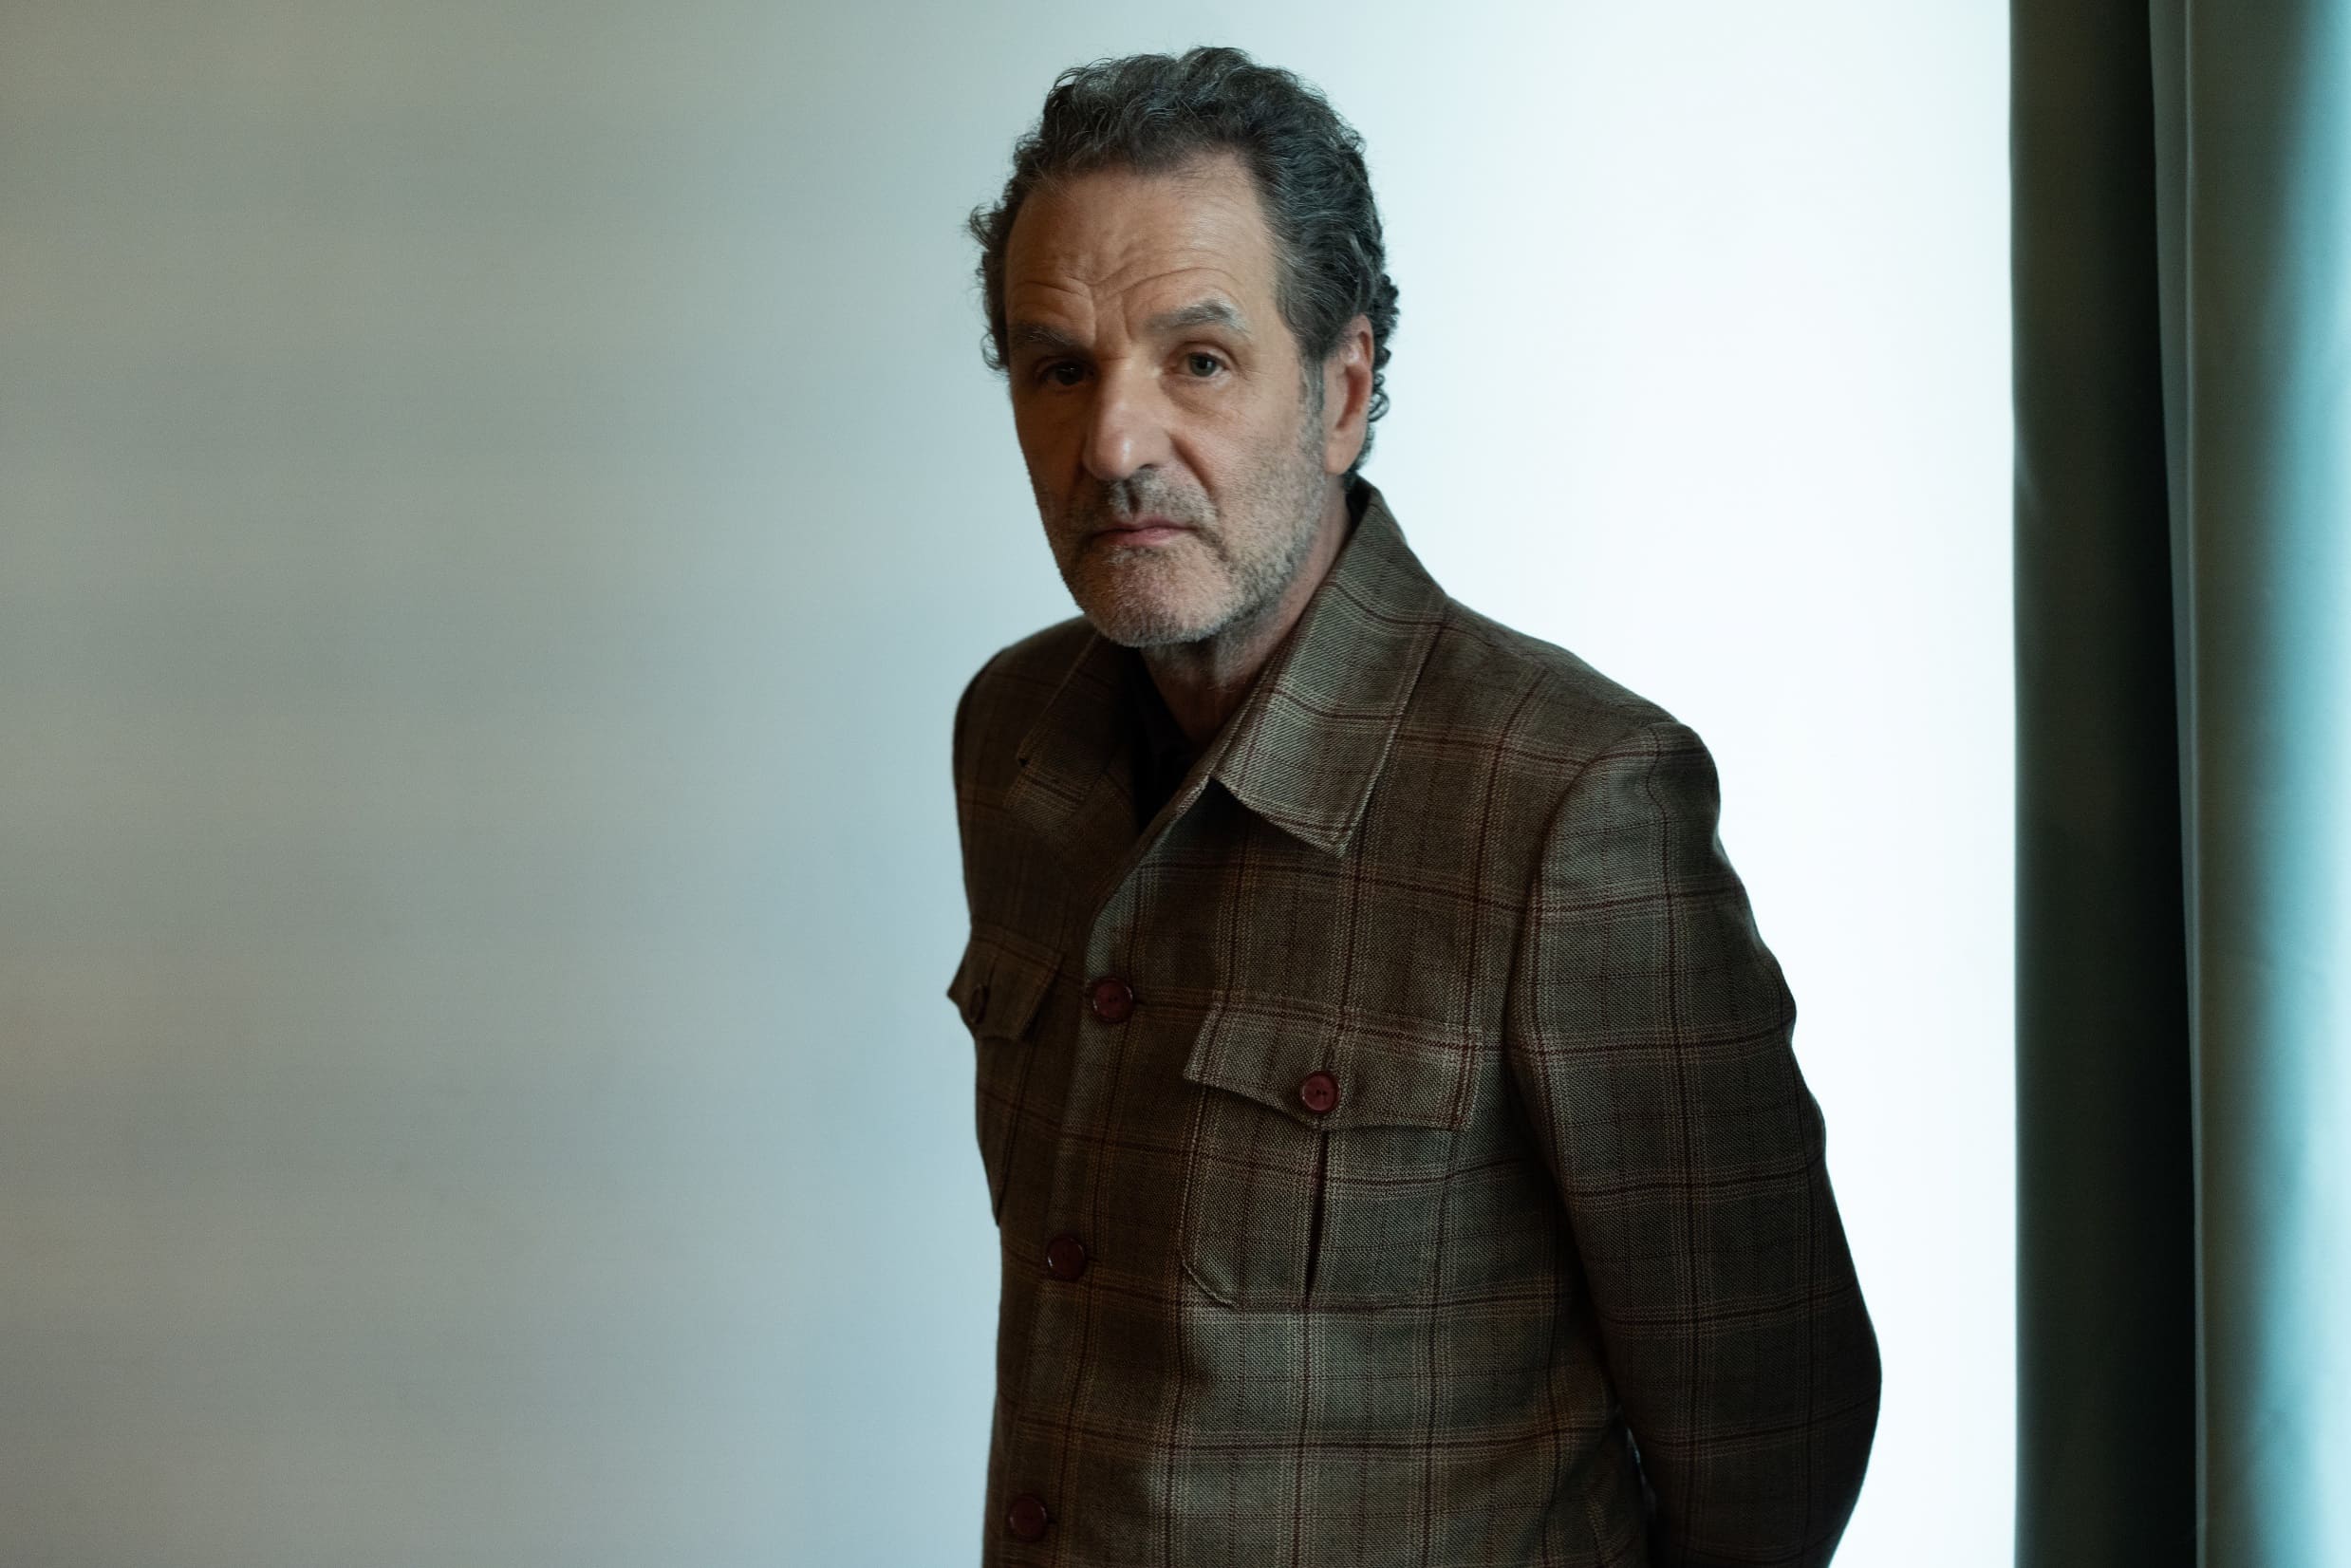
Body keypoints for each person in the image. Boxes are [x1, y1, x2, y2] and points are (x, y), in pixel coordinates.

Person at [946, 46, 1879, 1568]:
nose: (1111, 445)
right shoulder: (1013, 736)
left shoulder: (1571, 801)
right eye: (1058, 368)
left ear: (1340, 391)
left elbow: (1772, 1433)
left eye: (1198, 360)